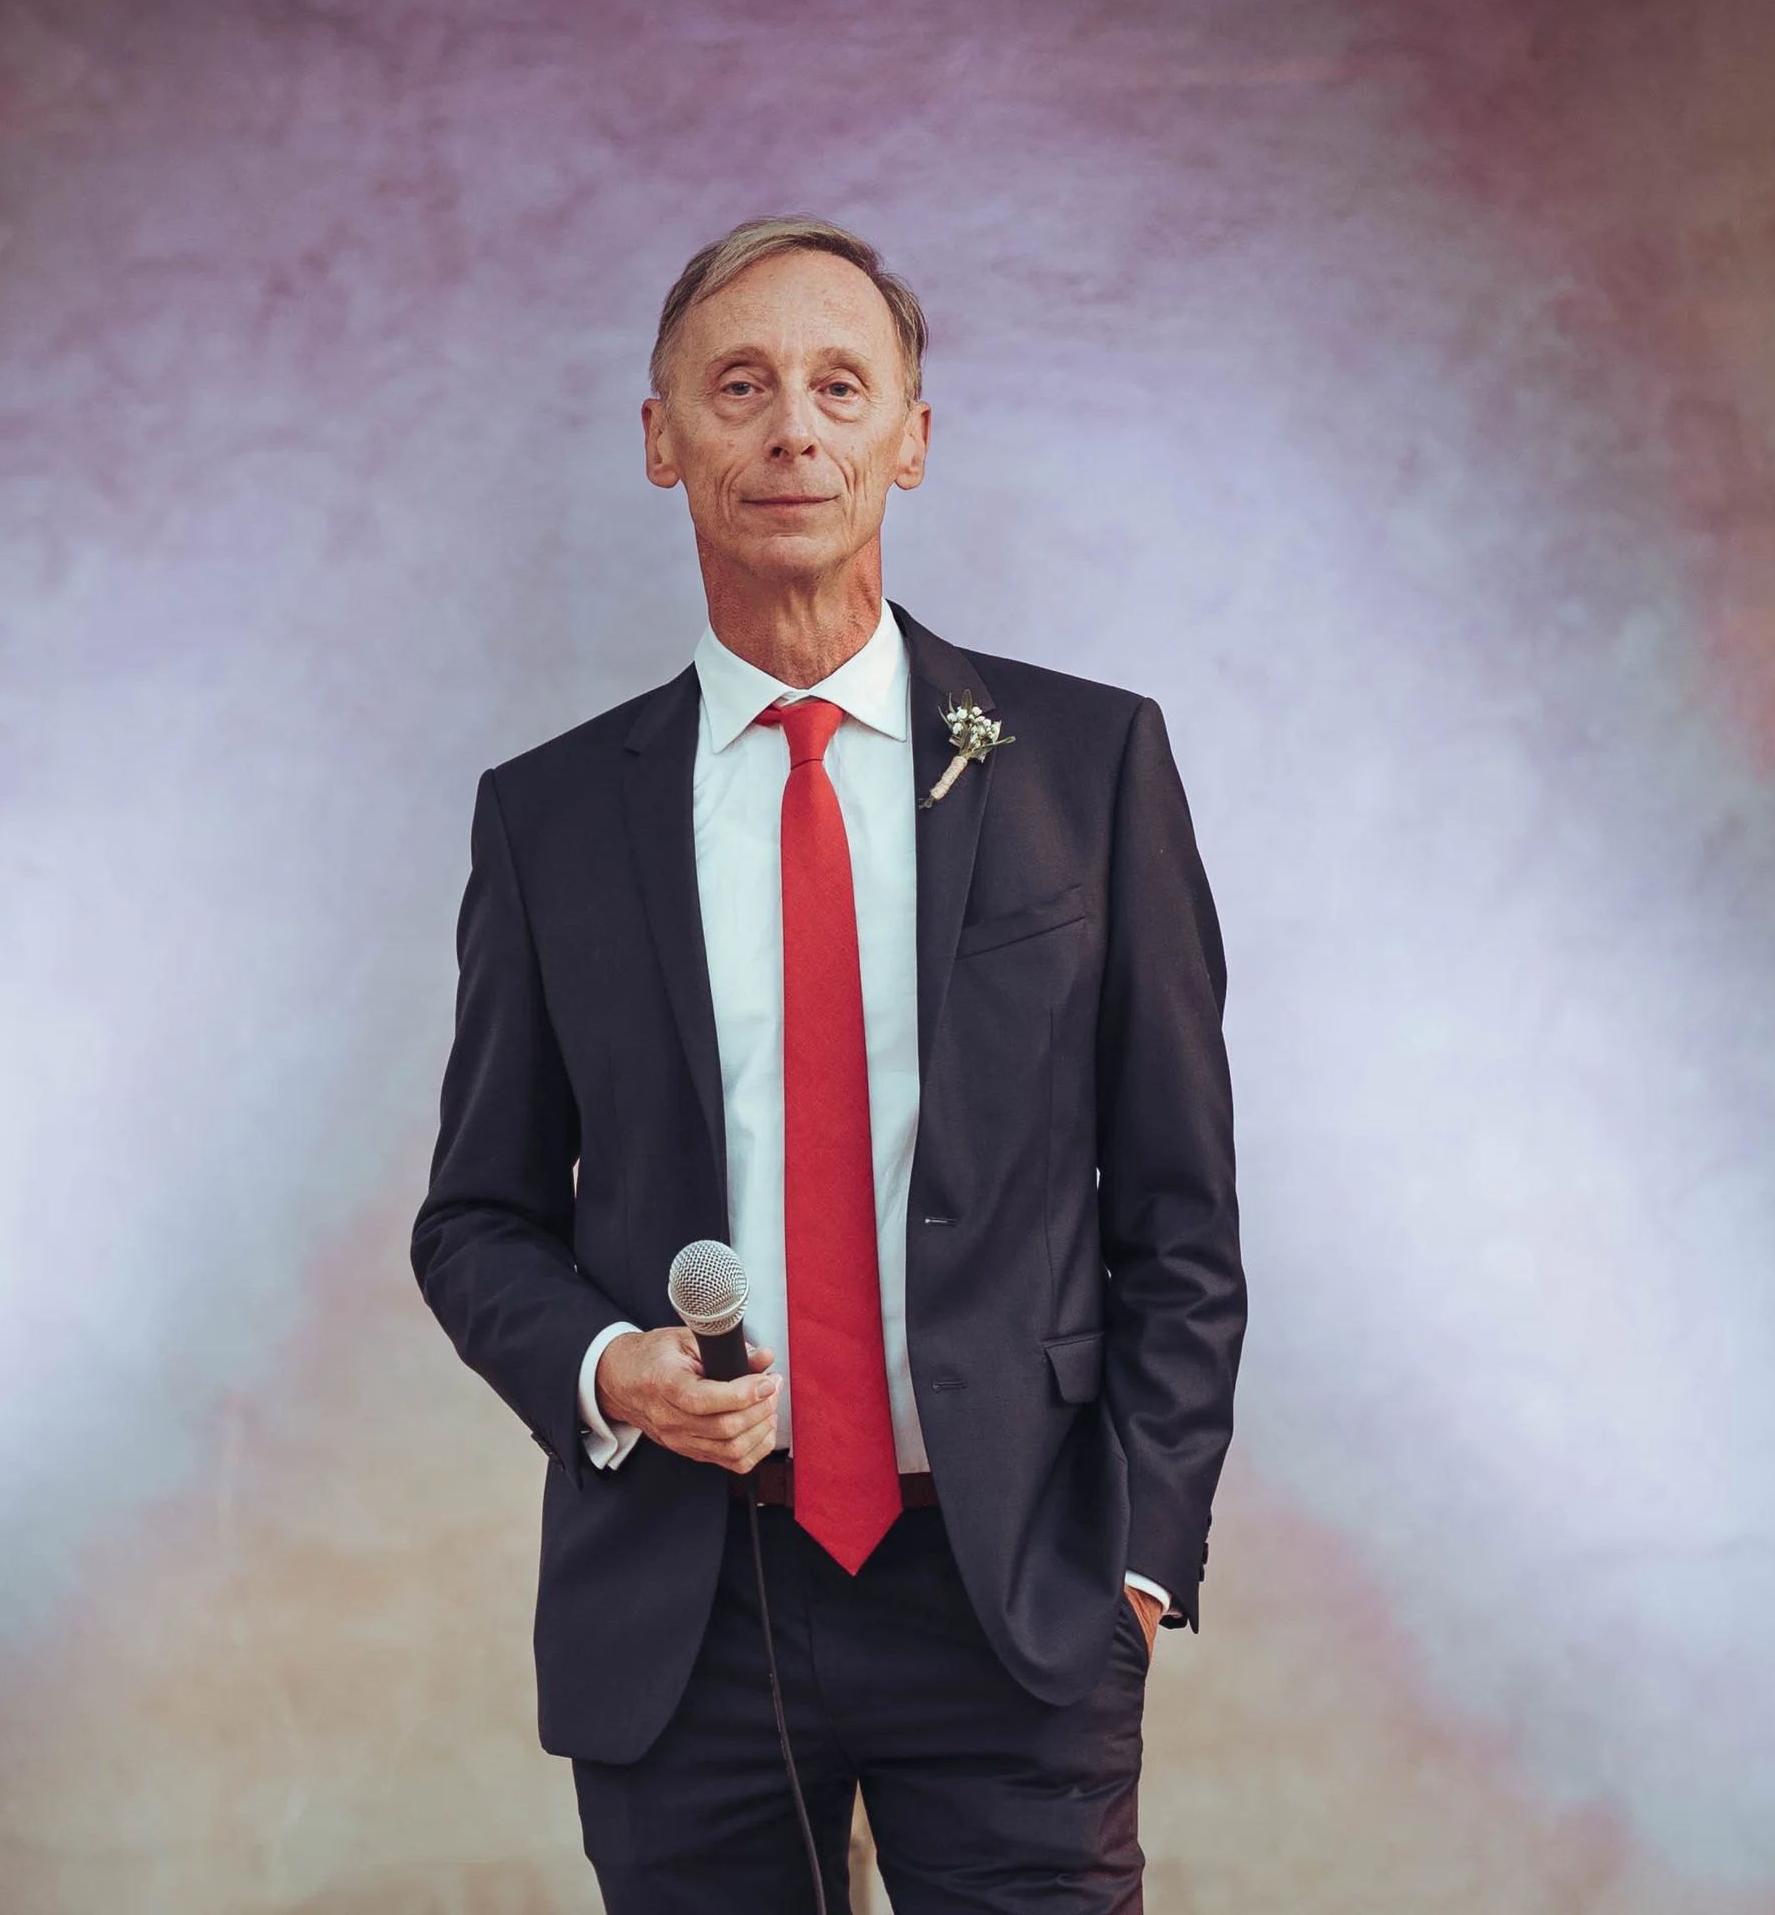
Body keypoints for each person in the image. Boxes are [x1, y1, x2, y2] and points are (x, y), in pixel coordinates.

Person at [412, 215, 1243, 1912]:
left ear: (910, 438)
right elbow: (477, 1217)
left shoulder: (1086, 766)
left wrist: (1142, 1558)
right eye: (740, 385)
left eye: (839, 384)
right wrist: (604, 1371)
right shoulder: (553, 819)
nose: (794, 425)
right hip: (688, 1604)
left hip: (1015, 1590)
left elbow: (1180, 1209)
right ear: (663, 439)